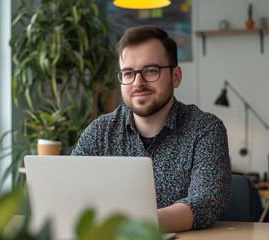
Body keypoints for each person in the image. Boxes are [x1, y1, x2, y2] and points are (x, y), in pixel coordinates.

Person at [72, 25, 231, 232]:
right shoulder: (99, 132)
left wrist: (131, 227)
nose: (138, 83)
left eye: (150, 71)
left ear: (176, 76)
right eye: (128, 73)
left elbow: (204, 203)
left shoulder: (205, 130)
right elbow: (71, 192)